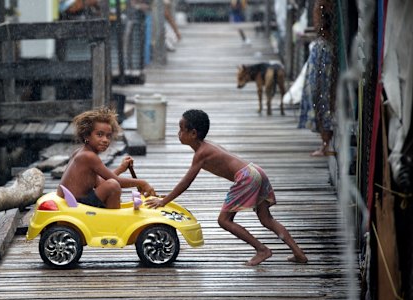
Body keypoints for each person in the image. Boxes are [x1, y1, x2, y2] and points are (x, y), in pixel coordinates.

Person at [145, 109, 308, 266]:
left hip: (247, 178)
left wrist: (164, 201)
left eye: (181, 129)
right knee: (266, 219)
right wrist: (167, 197)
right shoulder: (206, 147)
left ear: (193, 133)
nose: (178, 133)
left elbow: (186, 182)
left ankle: (262, 249)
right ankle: (298, 253)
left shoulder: (202, 153)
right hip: (255, 171)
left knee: (224, 220)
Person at [58, 106, 155, 209]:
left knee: (111, 184)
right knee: (113, 186)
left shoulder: (82, 152)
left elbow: (100, 182)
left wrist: (121, 169)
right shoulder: (88, 156)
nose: (105, 140)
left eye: (108, 136)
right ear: (86, 135)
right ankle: (113, 221)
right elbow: (115, 181)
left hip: (77, 201)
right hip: (77, 205)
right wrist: (142, 183)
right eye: (99, 135)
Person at [298, 0, 336, 156]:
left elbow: (320, 28)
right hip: (325, 49)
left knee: (322, 97)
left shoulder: (322, 5)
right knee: (321, 97)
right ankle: (326, 143)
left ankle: (326, 143)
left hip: (325, 51)